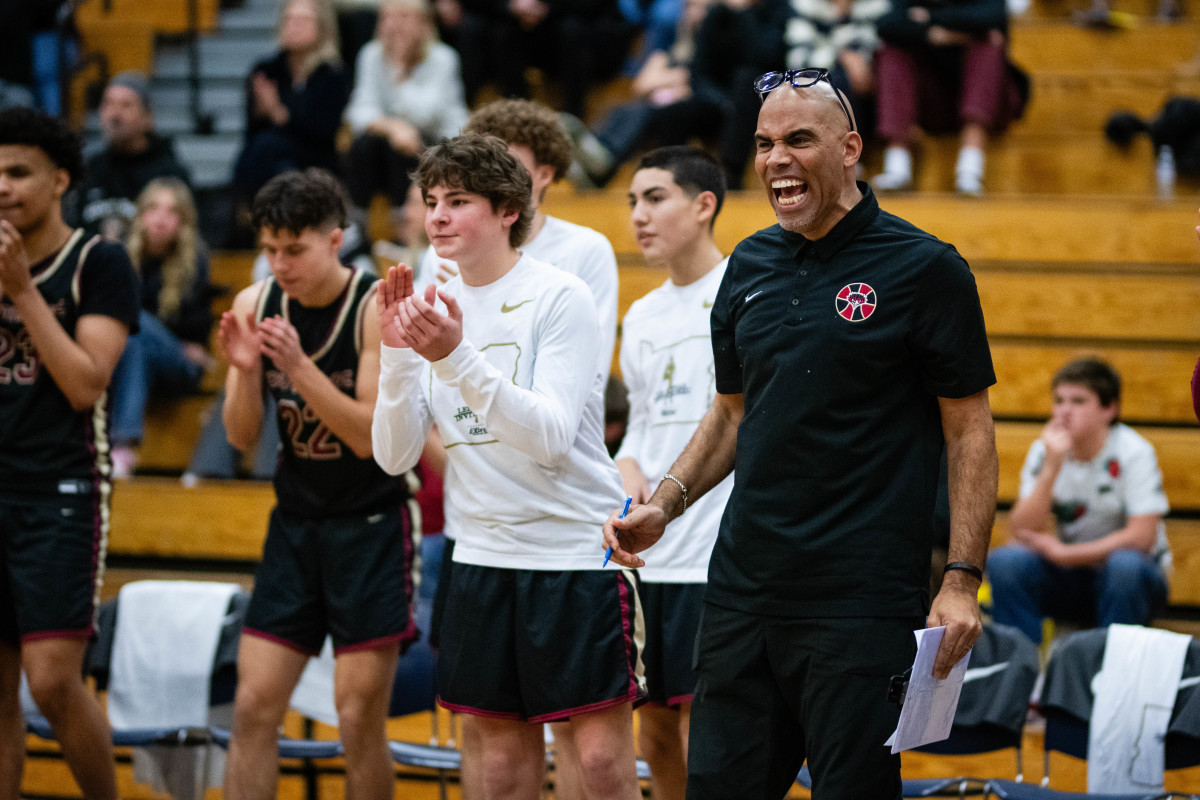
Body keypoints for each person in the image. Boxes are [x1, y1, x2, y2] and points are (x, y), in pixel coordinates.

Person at [603, 70, 998, 800]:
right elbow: (730, 413)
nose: (775, 158)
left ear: (850, 149)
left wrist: (961, 582)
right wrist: (666, 503)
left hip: (860, 603)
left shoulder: (926, 268)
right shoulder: (748, 264)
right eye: (763, 143)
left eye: (798, 139)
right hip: (742, 595)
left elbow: (970, 433)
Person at [372, 133, 645, 800]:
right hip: (482, 557)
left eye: (457, 201)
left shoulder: (560, 296)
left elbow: (549, 436)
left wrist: (454, 357)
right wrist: (400, 358)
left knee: (602, 763)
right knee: (497, 768)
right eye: (431, 200)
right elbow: (395, 455)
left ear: (506, 211)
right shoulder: (428, 303)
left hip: (574, 556)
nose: (436, 215)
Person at [220, 168, 417, 800]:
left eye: (294, 249)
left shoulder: (371, 307)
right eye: (270, 249)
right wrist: (246, 373)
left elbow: (366, 437)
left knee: (358, 720)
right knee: (252, 707)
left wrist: (299, 368)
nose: (279, 263)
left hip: (371, 526)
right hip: (296, 525)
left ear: (336, 240)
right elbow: (242, 438)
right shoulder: (256, 303)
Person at [0, 106, 139, 800]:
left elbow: (86, 383)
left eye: (18, 172)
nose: (1, 186)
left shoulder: (99, 261)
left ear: (58, 180)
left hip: (62, 491)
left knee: (51, 680)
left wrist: (22, 289)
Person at [616, 145, 731, 800]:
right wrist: (627, 466)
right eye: (632, 201)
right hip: (648, 558)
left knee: (704, 736)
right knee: (653, 735)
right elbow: (639, 424)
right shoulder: (641, 316)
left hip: (713, 557)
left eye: (655, 197)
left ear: (703, 204)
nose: (639, 215)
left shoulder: (743, 292)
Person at [419, 98, 618, 382]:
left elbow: (590, 366)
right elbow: (428, 369)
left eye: (509, 163)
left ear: (545, 173)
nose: (496, 174)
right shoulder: (442, 251)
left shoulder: (586, 249)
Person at [987, 359, 1171, 645]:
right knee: (1006, 563)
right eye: (1059, 400)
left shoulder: (1134, 452)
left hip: (1130, 580)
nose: (1064, 411)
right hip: (1070, 579)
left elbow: (1141, 538)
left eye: (1078, 401)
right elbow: (1021, 530)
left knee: (1125, 567)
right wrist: (1050, 469)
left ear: (1110, 409)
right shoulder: (1044, 451)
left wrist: (1065, 555)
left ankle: (1115, 675)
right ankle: (1021, 676)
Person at [108, 177, 214, 478]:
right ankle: (122, 447)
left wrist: (176, 345)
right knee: (134, 341)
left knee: (135, 323)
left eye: (172, 212)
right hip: (134, 356)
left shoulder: (194, 258)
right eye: (153, 209)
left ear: (184, 221)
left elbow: (194, 325)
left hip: (181, 365)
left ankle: (122, 443)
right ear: (141, 215)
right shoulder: (121, 257)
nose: (161, 219)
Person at [870, 0, 1027, 196]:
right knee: (892, 52)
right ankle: (897, 166)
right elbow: (886, 25)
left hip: (990, 104)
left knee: (988, 45)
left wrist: (929, 18)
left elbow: (992, 18)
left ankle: (970, 170)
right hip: (932, 104)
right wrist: (937, 35)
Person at [343, 0, 468, 245]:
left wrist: (399, 71)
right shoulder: (371, 54)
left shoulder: (443, 58)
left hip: (441, 144)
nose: (392, 25)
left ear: (423, 24)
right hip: (394, 143)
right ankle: (356, 232)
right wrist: (393, 128)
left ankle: (406, 232)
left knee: (402, 149)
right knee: (364, 145)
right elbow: (359, 110)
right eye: (386, 17)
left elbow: (427, 114)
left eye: (402, 17)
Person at [231, 0, 350, 242]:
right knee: (264, 149)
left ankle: (258, 224)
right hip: (270, 158)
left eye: (303, 20)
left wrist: (278, 114)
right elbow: (251, 130)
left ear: (323, 27)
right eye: (289, 19)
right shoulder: (265, 71)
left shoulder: (332, 75)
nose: (294, 26)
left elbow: (322, 133)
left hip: (315, 160)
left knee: (270, 150)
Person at [76, 71, 192, 242]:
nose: (114, 114)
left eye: (126, 105)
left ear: (148, 117)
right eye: (108, 104)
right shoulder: (91, 168)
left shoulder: (169, 173)